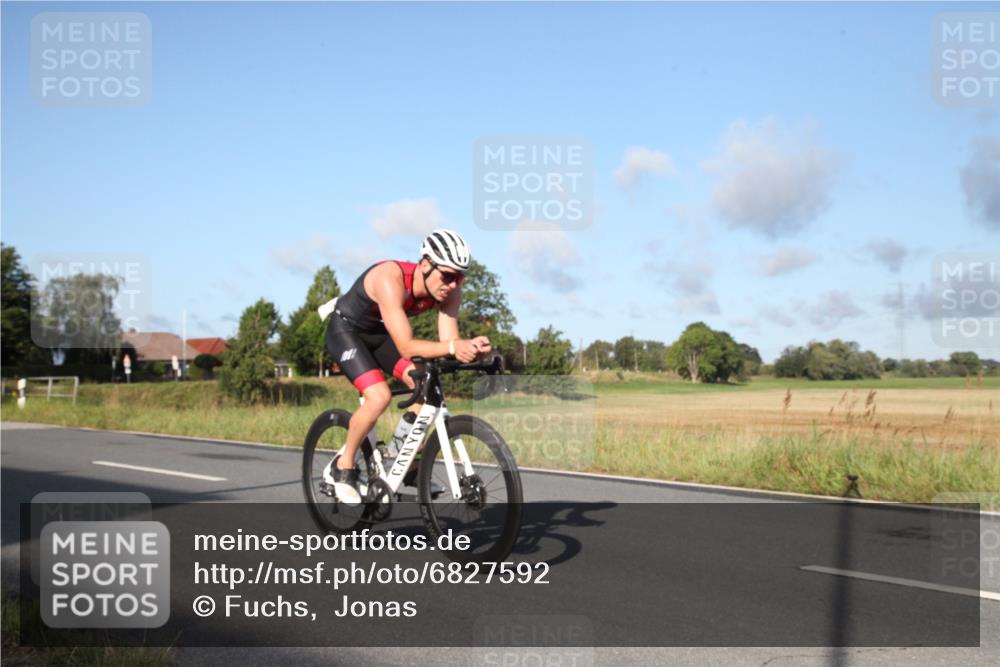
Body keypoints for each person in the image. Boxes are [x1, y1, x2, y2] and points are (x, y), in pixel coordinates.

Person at [321, 229, 492, 504]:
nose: (452, 284)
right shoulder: (391, 279)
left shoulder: (450, 293)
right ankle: (342, 467)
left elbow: (449, 342)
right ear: (425, 264)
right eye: (447, 275)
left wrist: (472, 350)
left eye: (459, 277)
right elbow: (407, 346)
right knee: (379, 397)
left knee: (424, 384)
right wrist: (452, 348)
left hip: (380, 336)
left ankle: (405, 463)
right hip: (347, 331)